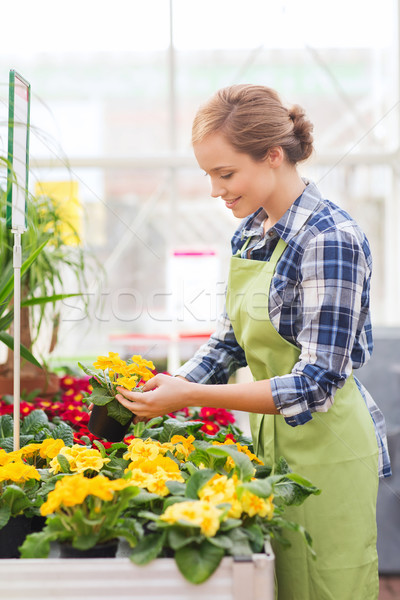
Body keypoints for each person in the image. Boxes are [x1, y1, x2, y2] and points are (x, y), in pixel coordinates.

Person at [116, 84, 391, 600]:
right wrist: (172, 385)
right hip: (270, 447)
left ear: (272, 155)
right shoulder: (251, 231)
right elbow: (231, 342)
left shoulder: (330, 238)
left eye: (226, 174)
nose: (216, 191)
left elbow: (314, 383)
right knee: (276, 583)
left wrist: (191, 397)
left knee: (330, 584)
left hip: (327, 446)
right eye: (209, 176)